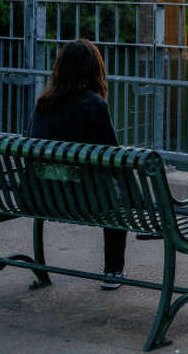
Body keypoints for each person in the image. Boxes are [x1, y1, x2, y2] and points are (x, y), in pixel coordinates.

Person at [29, 38, 127, 290]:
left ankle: (42, 269)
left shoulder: (42, 105)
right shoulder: (94, 105)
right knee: (119, 195)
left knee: (105, 186)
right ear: (95, 70)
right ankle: (113, 272)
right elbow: (113, 157)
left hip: (44, 196)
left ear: (59, 68)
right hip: (88, 201)